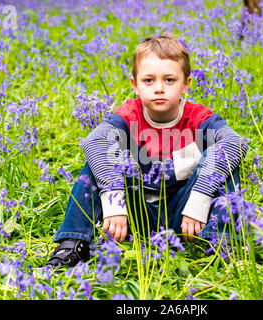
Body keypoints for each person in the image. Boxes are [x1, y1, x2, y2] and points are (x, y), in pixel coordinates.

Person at [45, 34, 248, 269]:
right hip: (134, 215)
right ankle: (72, 243)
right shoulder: (129, 115)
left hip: (185, 216)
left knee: (225, 162)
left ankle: (226, 244)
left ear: (186, 83)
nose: (159, 88)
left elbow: (234, 143)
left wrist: (200, 198)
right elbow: (96, 141)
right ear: (135, 84)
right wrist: (114, 201)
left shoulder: (198, 118)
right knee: (95, 162)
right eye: (149, 80)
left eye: (170, 80)